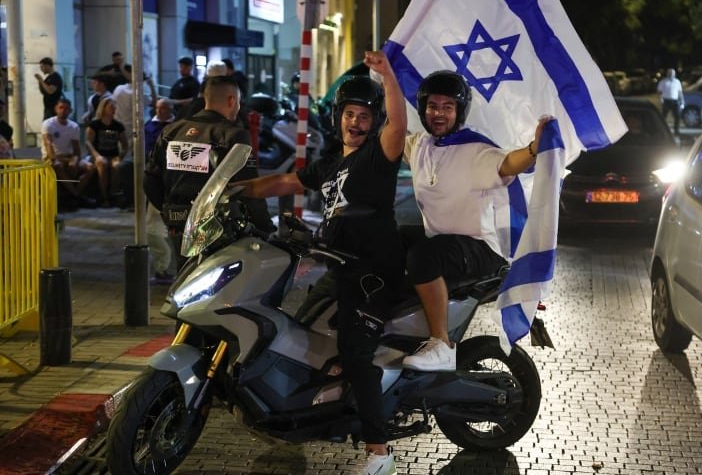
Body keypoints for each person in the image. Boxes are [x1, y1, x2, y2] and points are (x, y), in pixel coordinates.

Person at [235, 51, 404, 475]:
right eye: (349, 114)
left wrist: (387, 77)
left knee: (354, 350)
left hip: (371, 272)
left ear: (374, 121)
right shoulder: (331, 164)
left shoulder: (377, 157)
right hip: (338, 268)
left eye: (364, 116)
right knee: (302, 332)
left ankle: (379, 451)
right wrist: (231, 191)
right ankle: (311, 413)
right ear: (339, 117)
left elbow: (399, 126)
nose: (355, 122)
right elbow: (281, 181)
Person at [401, 70, 549, 372]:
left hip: (480, 249)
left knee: (422, 256)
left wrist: (535, 149)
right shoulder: (419, 146)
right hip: (443, 244)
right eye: (432, 106)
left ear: (459, 112)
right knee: (393, 238)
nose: (439, 113)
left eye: (447, 107)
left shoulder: (475, 150)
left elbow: (507, 163)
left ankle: (440, 343)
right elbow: (390, 138)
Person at [144, 75, 275, 269]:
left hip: (179, 226)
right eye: (238, 102)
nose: (238, 107)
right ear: (232, 100)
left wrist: (169, 212)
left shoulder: (172, 131)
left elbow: (150, 179)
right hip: (219, 230)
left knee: (186, 281)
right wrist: (265, 228)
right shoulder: (233, 135)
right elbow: (247, 186)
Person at [144, 98, 177, 285]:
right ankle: (162, 269)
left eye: (164, 107)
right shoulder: (150, 126)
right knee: (154, 227)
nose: (161, 111)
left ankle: (163, 268)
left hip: (168, 178)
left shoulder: (176, 126)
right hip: (157, 178)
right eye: (158, 108)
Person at [41, 98, 96, 208]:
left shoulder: (74, 126)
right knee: (58, 166)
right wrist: (55, 159)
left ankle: (72, 195)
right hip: (52, 157)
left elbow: (76, 149)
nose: (63, 111)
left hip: (68, 156)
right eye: (61, 108)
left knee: (90, 167)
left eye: (66, 109)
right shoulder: (48, 124)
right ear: (56, 109)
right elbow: (48, 144)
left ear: (70, 110)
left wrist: (75, 160)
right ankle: (76, 195)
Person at [86, 97, 128, 207]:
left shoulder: (118, 126)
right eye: (111, 107)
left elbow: (125, 146)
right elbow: (88, 143)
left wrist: (120, 156)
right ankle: (104, 197)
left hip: (113, 155)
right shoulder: (95, 124)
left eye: (115, 107)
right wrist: (96, 156)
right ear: (104, 108)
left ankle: (112, 194)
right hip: (98, 155)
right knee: (102, 163)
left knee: (117, 166)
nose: (114, 109)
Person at [657, 68, 684, 135]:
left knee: (677, 116)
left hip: (675, 101)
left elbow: (680, 92)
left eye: (672, 73)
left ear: (675, 74)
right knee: (663, 117)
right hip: (666, 101)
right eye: (670, 73)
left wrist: (682, 101)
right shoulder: (663, 81)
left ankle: (676, 131)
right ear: (667, 73)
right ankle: (662, 131)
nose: (671, 74)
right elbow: (659, 91)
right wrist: (661, 98)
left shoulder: (677, 82)